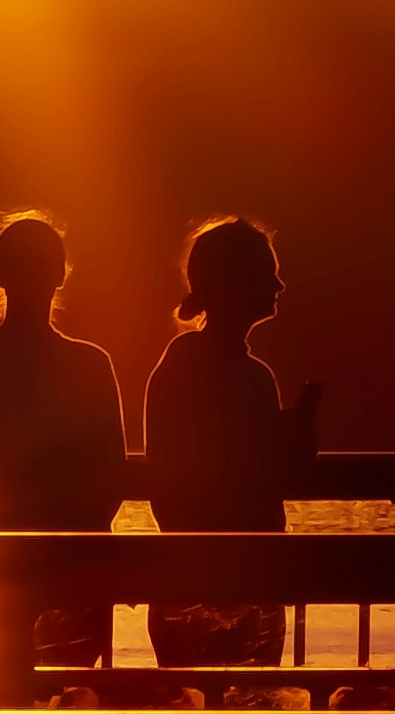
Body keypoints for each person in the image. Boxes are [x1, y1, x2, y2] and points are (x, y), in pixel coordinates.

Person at [0, 213, 128, 668]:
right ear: (61, 275)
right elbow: (111, 479)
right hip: (69, 560)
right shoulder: (90, 366)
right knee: (64, 691)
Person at [141, 217, 321, 668]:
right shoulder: (224, 373)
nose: (279, 284)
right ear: (234, 283)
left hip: (215, 579)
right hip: (219, 580)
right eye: (266, 272)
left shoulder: (247, 375)